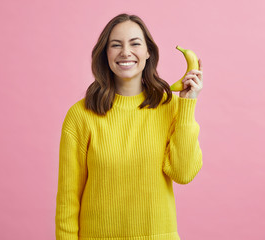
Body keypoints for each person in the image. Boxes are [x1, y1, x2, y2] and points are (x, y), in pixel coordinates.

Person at [55, 13, 203, 240]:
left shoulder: (172, 108)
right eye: (116, 45)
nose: (126, 52)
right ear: (105, 54)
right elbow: (68, 199)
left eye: (135, 44)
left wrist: (188, 104)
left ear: (148, 53)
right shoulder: (80, 116)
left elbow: (183, 173)